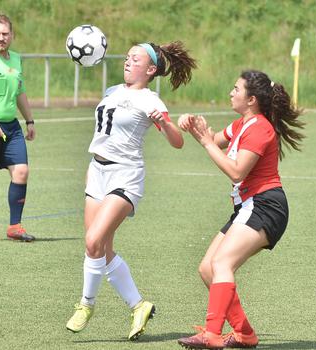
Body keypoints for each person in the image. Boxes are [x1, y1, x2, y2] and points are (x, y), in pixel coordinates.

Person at [66, 41, 196, 340]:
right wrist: (91, 164)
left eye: (134, 59)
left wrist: (164, 122)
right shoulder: (112, 90)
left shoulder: (151, 100)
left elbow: (177, 142)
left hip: (125, 176)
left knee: (93, 239)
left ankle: (86, 304)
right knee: (98, 248)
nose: (127, 61)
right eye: (127, 57)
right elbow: (103, 132)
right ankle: (139, 305)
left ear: (150, 70)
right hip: (97, 172)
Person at [177, 70, 305, 349]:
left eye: (236, 89)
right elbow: (213, 138)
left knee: (222, 264)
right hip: (249, 205)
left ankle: (211, 334)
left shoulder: (260, 128)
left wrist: (208, 143)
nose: (231, 93)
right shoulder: (242, 125)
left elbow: (236, 172)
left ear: (252, 99)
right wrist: (195, 126)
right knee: (207, 269)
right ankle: (244, 333)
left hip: (265, 205)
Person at [0, 14, 36, 242]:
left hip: (11, 128)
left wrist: (29, 120)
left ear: (12, 35)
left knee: (21, 171)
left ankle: (15, 227)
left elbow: (19, 92)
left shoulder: (16, 59)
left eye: (5, 33)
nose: (1, 38)